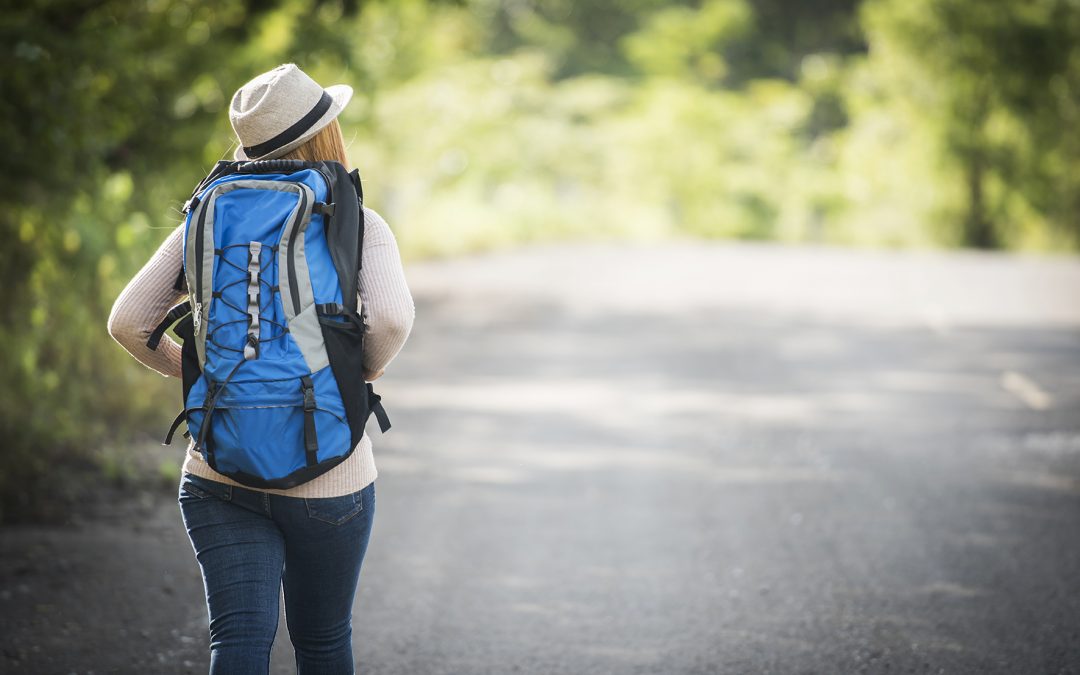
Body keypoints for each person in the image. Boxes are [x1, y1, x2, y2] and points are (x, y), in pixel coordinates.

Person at [107, 63, 415, 674]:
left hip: (218, 469)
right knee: (322, 641)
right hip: (331, 473)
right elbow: (391, 322)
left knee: (238, 643)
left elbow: (128, 321)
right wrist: (352, 384)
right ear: (325, 135)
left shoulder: (207, 217)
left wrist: (202, 379)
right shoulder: (353, 218)